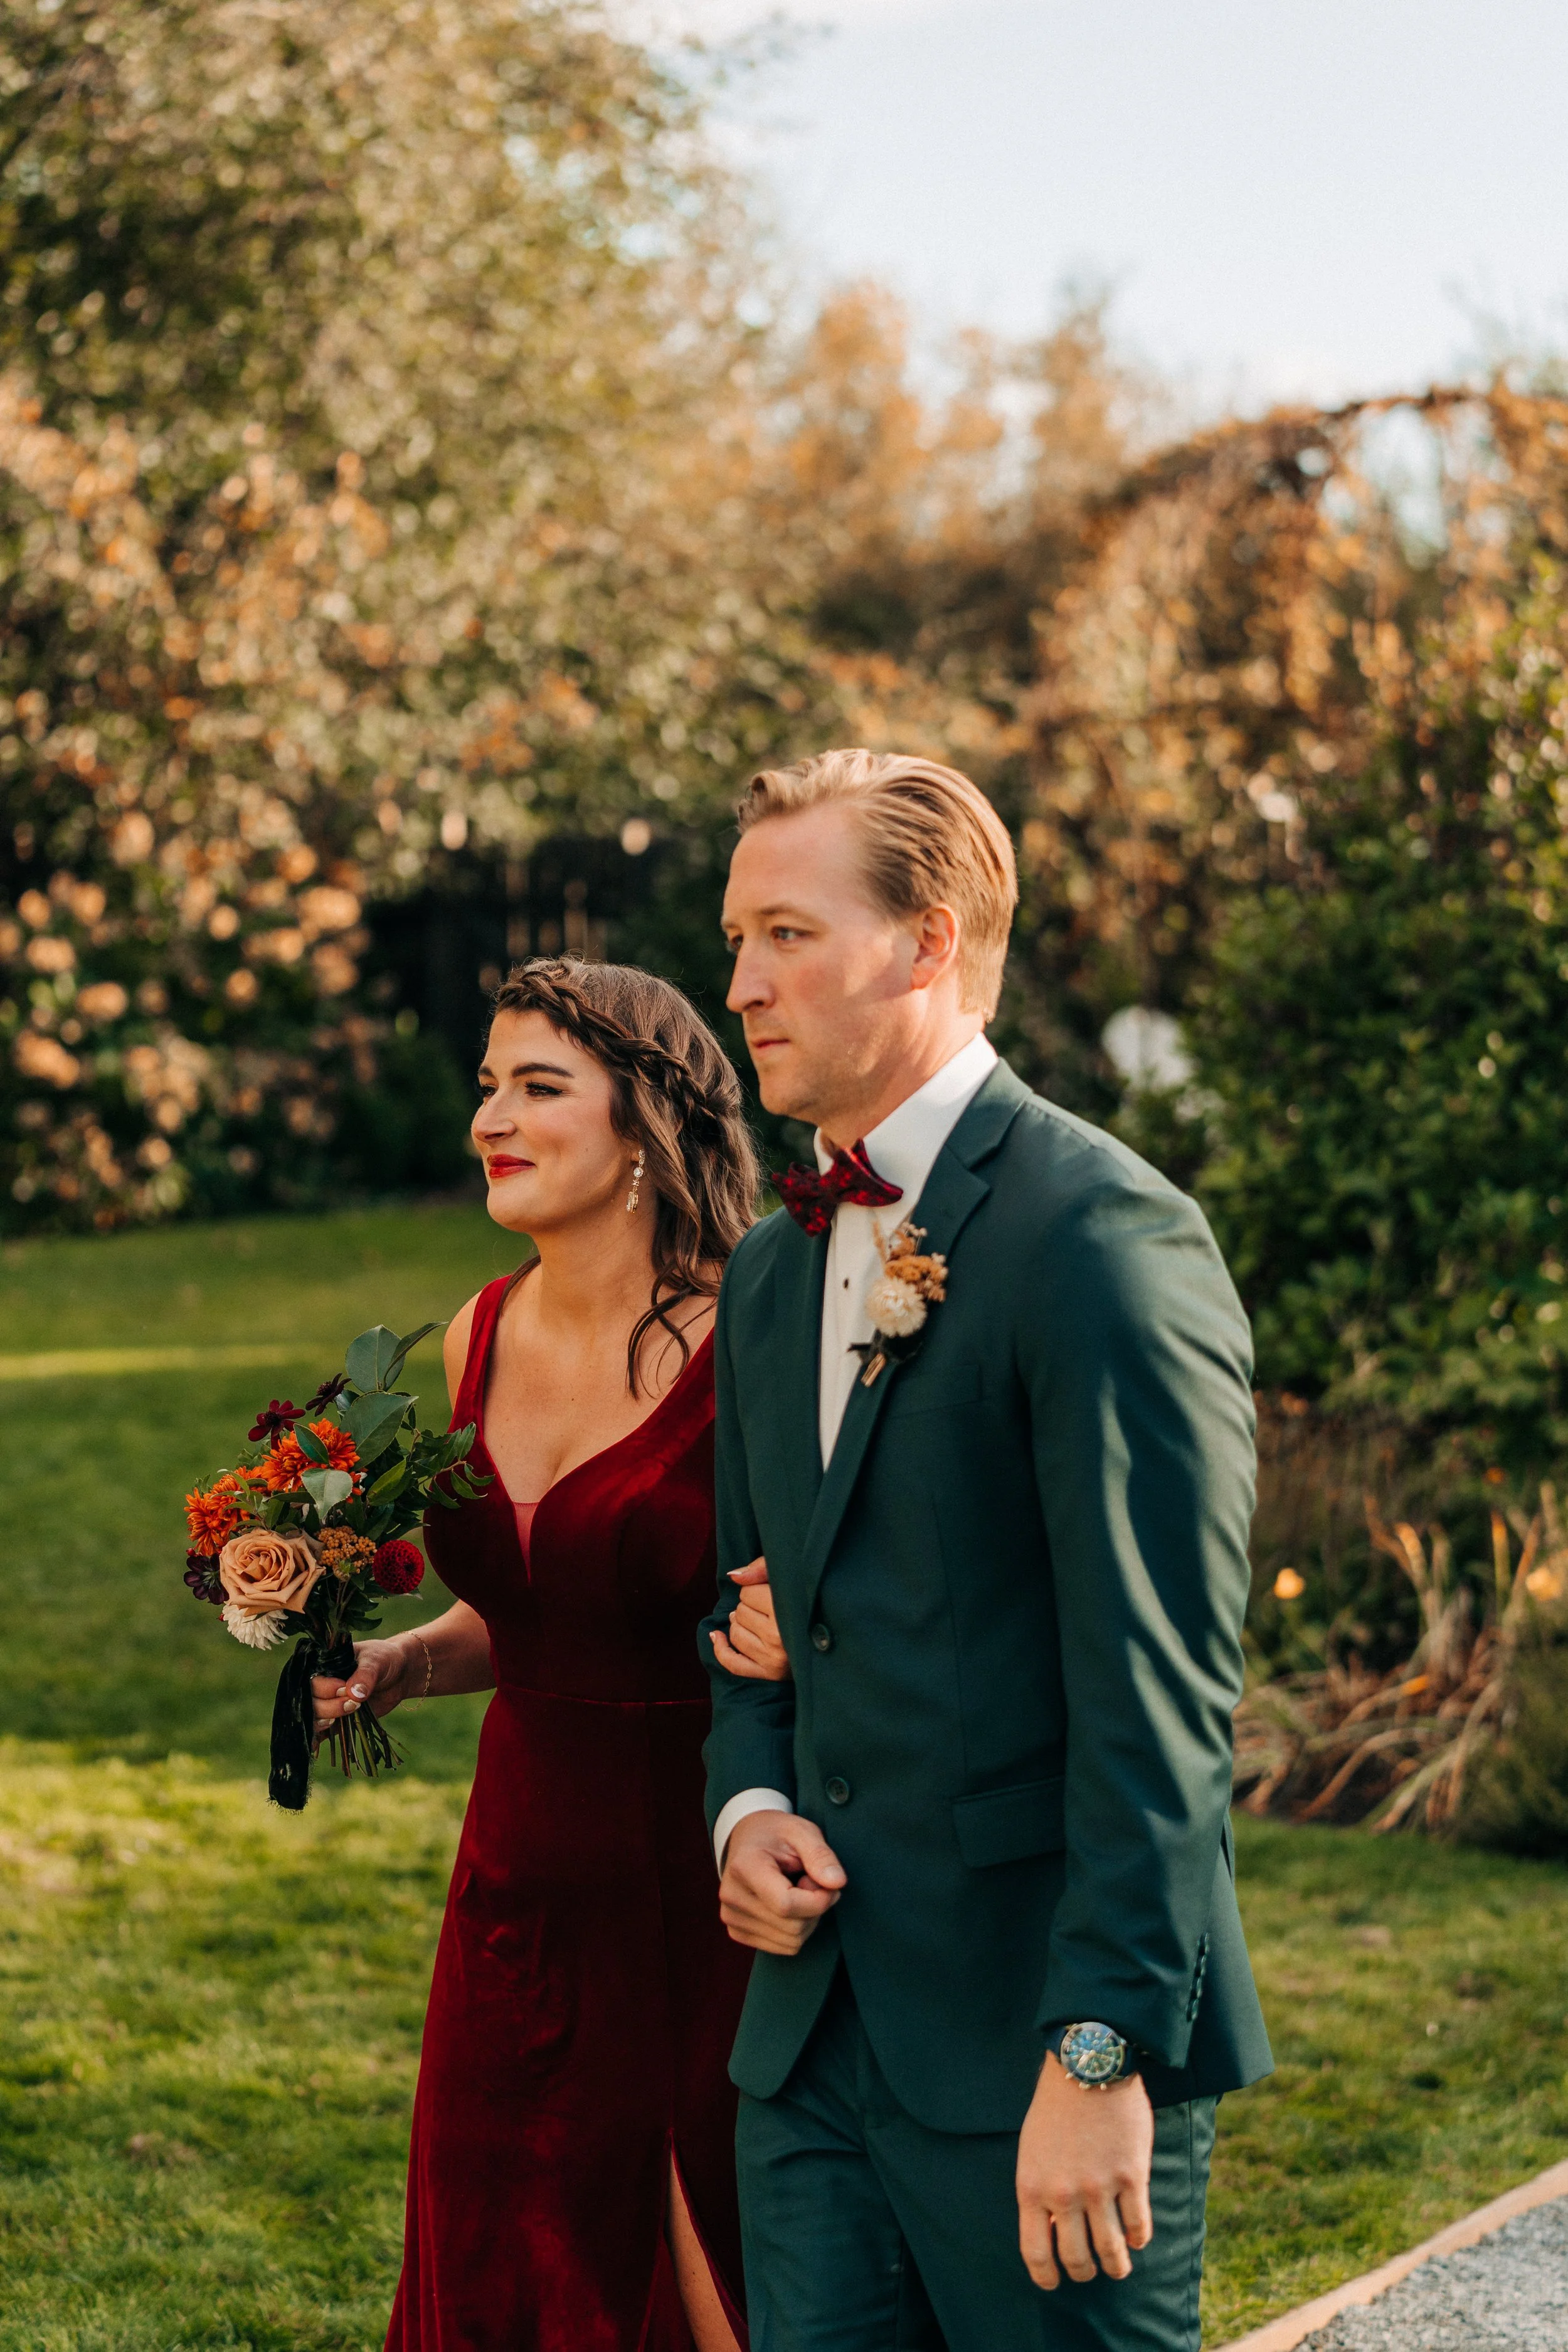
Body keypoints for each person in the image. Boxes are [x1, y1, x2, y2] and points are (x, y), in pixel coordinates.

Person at [702, 749, 1273, 2351]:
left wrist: (1095, 2060)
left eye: (785, 935)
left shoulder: (1098, 1239)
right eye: (736, 938)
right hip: (808, 2059)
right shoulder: (768, 1269)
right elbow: (750, 1621)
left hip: (1039, 2055)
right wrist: (744, 1809)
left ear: (928, 941)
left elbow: (1161, 1705)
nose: (739, 983)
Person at [312, 958, 789, 2352]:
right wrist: (401, 1664)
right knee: (497, 2268)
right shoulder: (474, 1333)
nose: (490, 1120)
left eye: (537, 1088)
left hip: (707, 1892)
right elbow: (542, 1612)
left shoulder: (751, 1337)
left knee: (713, 2278)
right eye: (485, 1089)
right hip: (514, 1901)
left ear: (645, 1121)